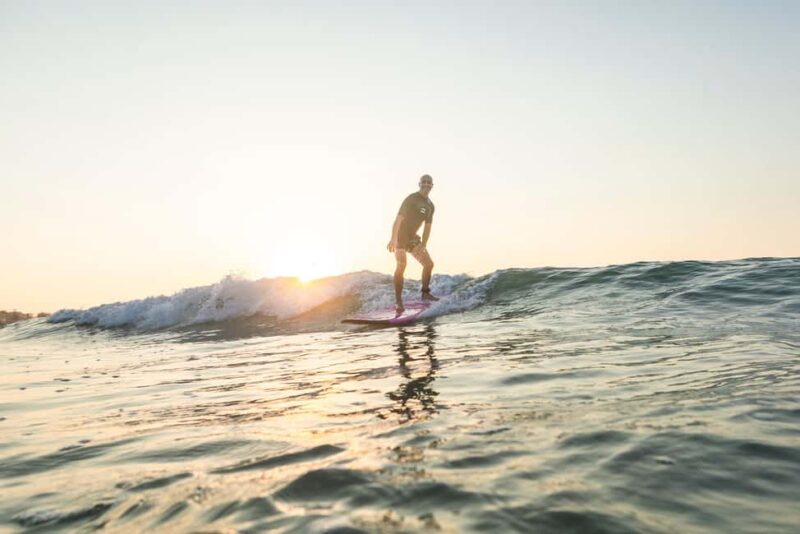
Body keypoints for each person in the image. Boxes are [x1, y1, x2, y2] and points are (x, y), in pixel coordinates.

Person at [387, 174, 439, 315]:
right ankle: (398, 301)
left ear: (432, 186)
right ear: (419, 183)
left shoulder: (430, 206)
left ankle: (425, 293)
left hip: (413, 238)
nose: (426, 184)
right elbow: (398, 220)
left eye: (429, 182)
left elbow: (428, 227)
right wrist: (393, 238)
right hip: (401, 236)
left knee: (428, 264)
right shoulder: (411, 199)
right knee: (402, 264)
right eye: (424, 182)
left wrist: (424, 244)